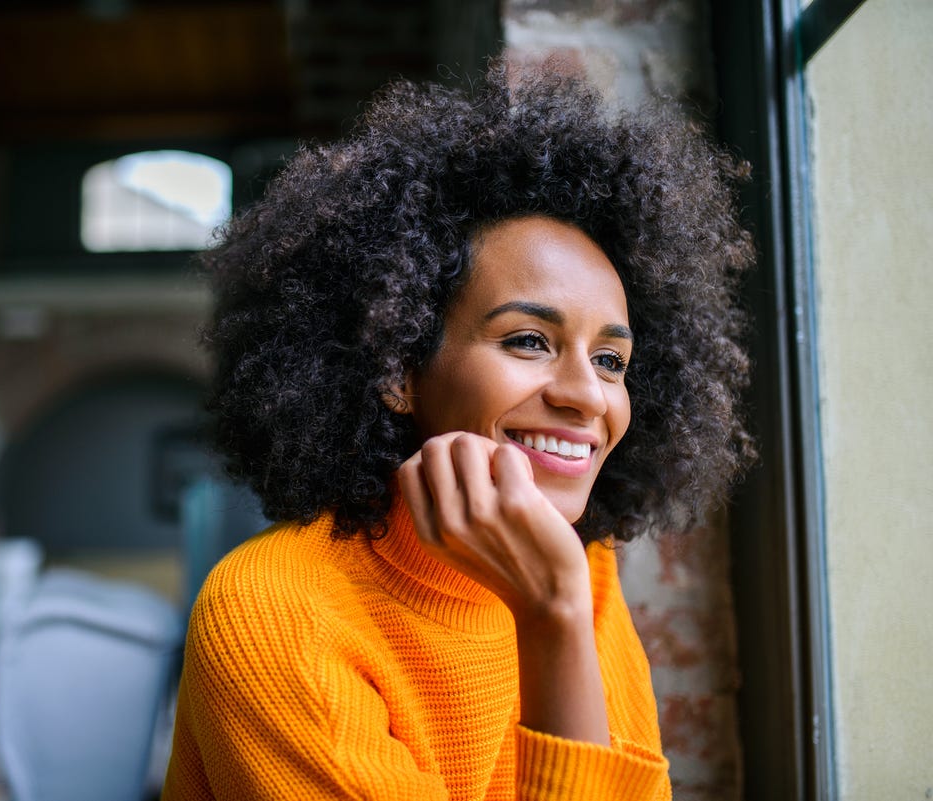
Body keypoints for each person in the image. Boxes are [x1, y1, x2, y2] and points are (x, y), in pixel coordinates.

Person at [161, 66, 755, 800]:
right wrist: (551, 621)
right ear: (398, 367)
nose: (584, 395)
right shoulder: (273, 610)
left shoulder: (579, 575)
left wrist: (559, 610)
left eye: (610, 359)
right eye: (529, 340)